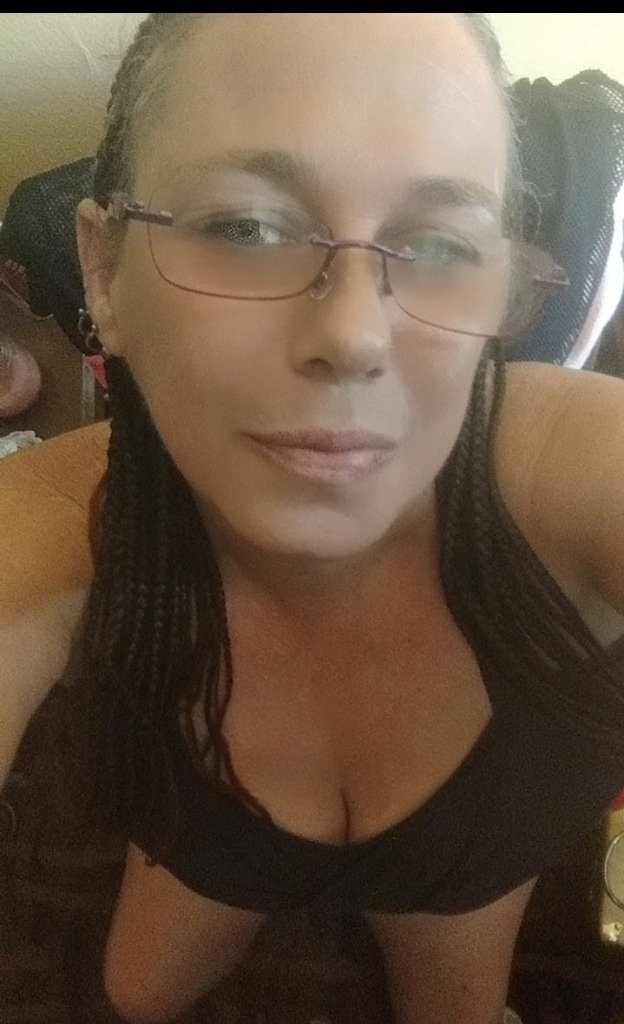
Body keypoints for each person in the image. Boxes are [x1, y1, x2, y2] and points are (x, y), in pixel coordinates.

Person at [2, 12, 624, 1024]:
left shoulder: (570, 474)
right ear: (106, 272)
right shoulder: (62, 518)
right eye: (247, 229)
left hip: (469, 855)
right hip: (215, 836)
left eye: (437, 244)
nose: (354, 334)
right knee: (136, 995)